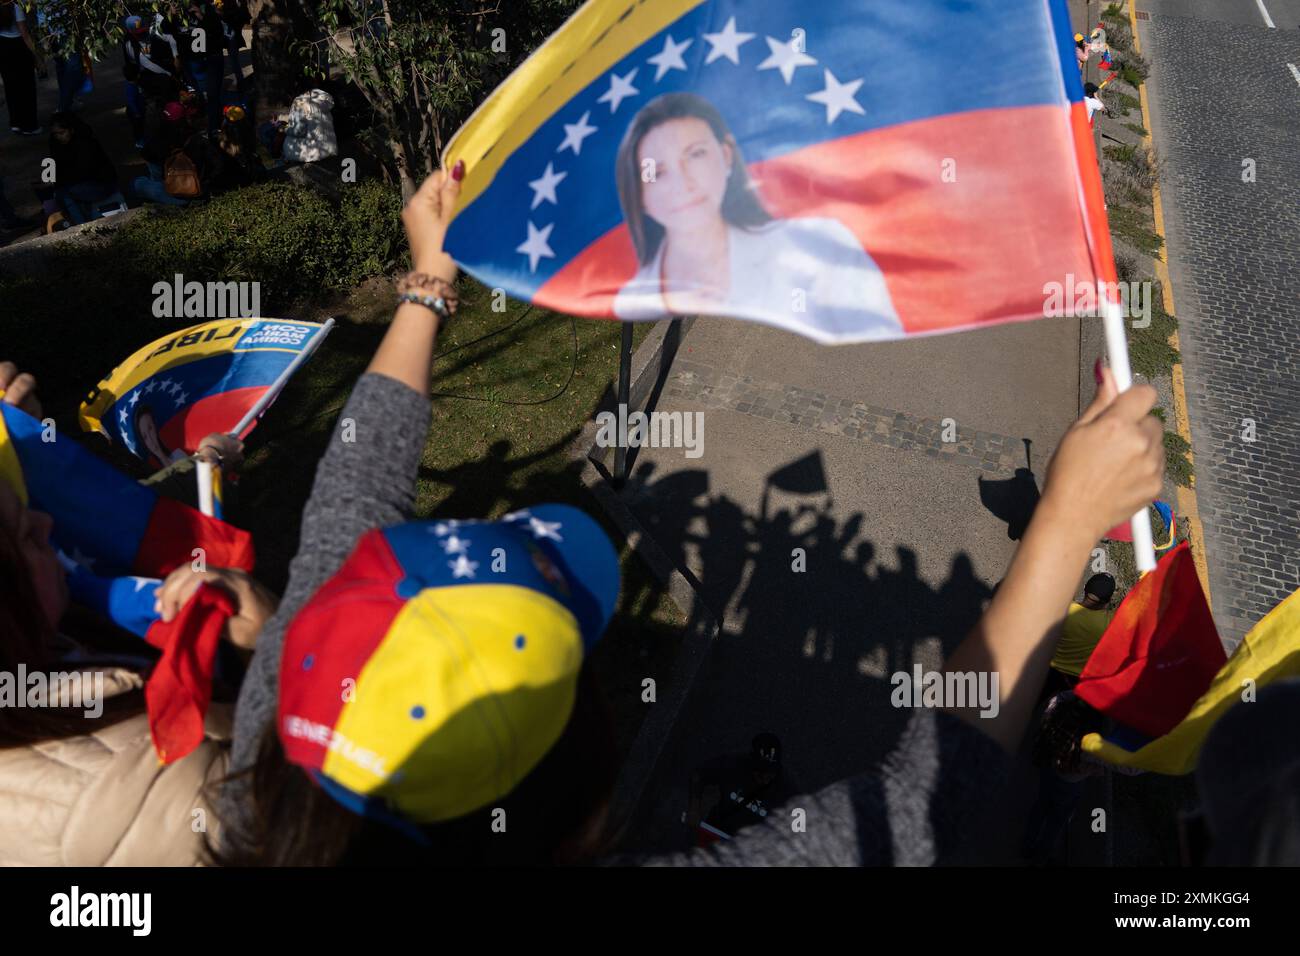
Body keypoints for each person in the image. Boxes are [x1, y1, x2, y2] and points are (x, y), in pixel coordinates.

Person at [0, 362, 277, 865]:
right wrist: (272, 650)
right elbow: (322, 797)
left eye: (25, 502)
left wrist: (22, 452)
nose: (46, 524)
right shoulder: (131, 793)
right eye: (22, 533)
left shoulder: (41, 656)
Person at [612, 92, 902, 343]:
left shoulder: (820, 245)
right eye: (657, 172)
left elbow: (874, 323)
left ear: (726, 156)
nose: (683, 183)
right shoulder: (624, 294)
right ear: (638, 195)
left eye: (695, 154)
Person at [687, 733, 802, 845]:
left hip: (753, 845)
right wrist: (694, 809)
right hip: (717, 830)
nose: (765, 780)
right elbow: (699, 775)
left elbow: (799, 814)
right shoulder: (733, 764)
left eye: (770, 775)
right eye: (760, 774)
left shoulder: (787, 786)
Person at [47, 112, 119, 226]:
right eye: (55, 134)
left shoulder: (85, 144)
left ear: (71, 130)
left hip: (100, 183)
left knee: (64, 194)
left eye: (62, 133)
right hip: (79, 184)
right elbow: (55, 166)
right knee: (57, 194)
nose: (59, 137)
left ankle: (81, 225)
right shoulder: (57, 145)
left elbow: (88, 171)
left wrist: (62, 182)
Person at [1048, 572, 1116, 687]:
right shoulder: (1110, 623)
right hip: (1076, 683)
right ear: (1108, 601)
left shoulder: (1063, 610)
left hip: (1048, 672)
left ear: (1085, 588)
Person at [0, 1, 46, 134]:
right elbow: (24, 33)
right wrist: (37, 56)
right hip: (18, 46)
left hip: (2, 45)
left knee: (11, 86)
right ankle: (29, 125)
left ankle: (16, 122)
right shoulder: (16, 5)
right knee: (26, 87)